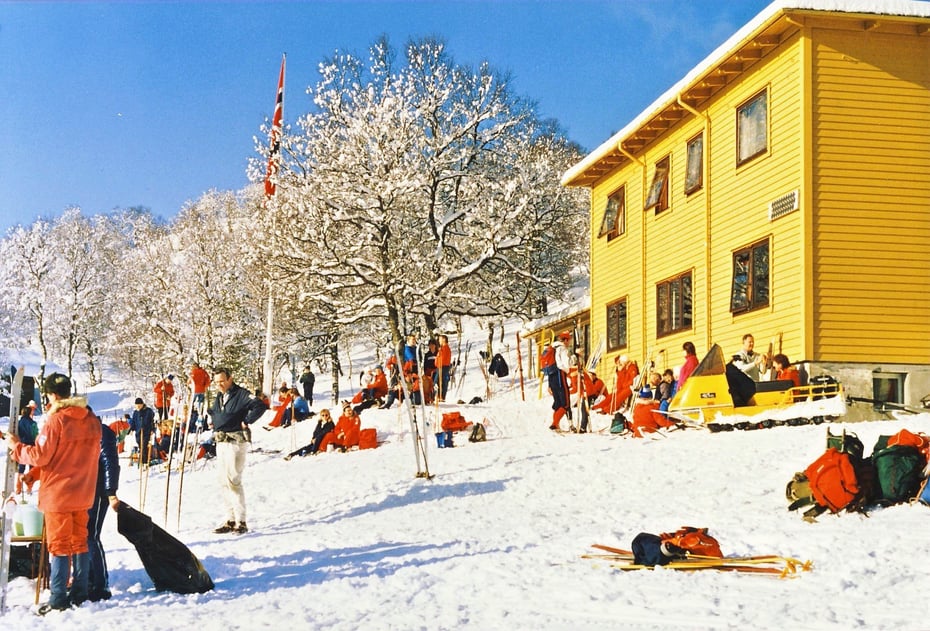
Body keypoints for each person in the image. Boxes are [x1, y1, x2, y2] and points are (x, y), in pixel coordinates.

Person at [6, 373, 101, 614]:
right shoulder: (90, 419)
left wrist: (16, 447)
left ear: (52, 395)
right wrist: (35, 474)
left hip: (59, 494)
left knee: (59, 546)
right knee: (80, 541)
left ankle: (59, 597)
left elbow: (40, 455)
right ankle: (80, 592)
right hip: (84, 492)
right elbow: (65, 457)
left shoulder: (56, 420)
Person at [208, 367, 267, 535]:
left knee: (233, 480)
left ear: (230, 379)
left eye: (222, 381)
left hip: (235, 441)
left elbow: (259, 406)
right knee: (223, 481)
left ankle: (241, 521)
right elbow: (216, 412)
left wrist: (247, 421)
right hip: (221, 440)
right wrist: (211, 419)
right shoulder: (220, 395)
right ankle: (230, 518)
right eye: (216, 382)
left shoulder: (241, 394)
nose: (219, 385)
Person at [88, 415, 120, 602]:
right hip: (86, 490)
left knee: (91, 535)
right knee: (85, 535)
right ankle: (90, 578)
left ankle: (101, 584)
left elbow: (110, 463)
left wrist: (110, 491)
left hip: (98, 490)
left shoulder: (101, 432)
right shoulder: (84, 431)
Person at [544, 332, 573, 430]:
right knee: (565, 403)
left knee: (558, 403)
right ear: (565, 340)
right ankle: (555, 424)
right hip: (560, 375)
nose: (569, 343)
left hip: (551, 378)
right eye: (569, 340)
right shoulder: (562, 349)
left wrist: (549, 385)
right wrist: (570, 364)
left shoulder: (552, 348)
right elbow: (565, 364)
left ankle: (556, 424)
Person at [15, 402, 39, 494]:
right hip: (31, 446)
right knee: (31, 468)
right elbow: (35, 435)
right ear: (29, 413)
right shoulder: (33, 423)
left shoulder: (19, 423)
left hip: (22, 446)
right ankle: (29, 488)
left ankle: (18, 487)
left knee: (21, 468)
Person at [129, 397, 156, 466]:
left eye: (139, 405)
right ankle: (144, 459)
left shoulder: (148, 411)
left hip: (146, 431)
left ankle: (144, 461)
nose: (138, 407)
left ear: (142, 404)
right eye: (137, 406)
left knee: (144, 445)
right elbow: (133, 422)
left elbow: (152, 421)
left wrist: (152, 429)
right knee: (140, 446)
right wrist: (132, 429)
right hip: (138, 432)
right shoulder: (135, 413)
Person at [435, 334, 452, 402]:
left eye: (440, 339)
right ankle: (439, 396)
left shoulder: (445, 348)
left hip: (442, 366)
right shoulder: (443, 348)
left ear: (444, 340)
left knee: (441, 382)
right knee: (439, 382)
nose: (439, 341)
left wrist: (437, 362)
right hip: (440, 366)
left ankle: (441, 396)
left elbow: (442, 358)